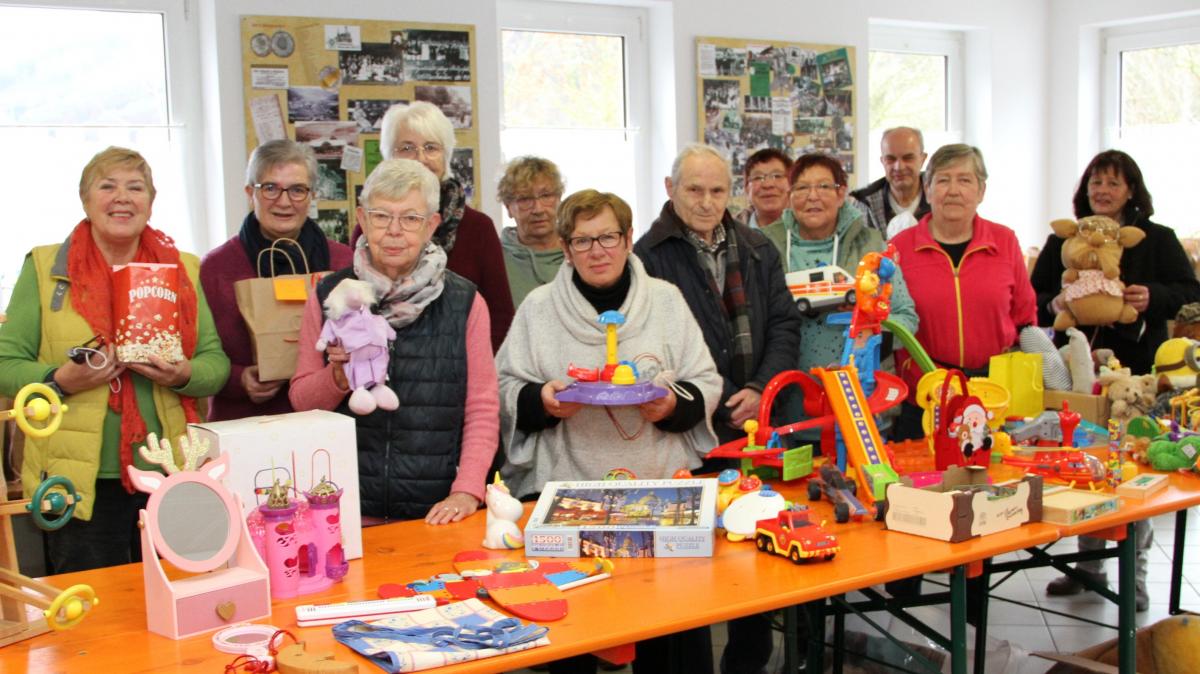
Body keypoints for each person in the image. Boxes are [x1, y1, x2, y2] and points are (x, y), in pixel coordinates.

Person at [498, 189, 720, 674]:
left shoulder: (666, 301)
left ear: (627, 239)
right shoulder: (538, 309)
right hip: (566, 492)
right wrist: (543, 401)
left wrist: (671, 406)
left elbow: (705, 380)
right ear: (565, 247)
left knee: (672, 629)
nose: (596, 250)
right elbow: (504, 386)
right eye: (582, 240)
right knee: (572, 634)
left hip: (658, 490)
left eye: (607, 237)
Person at [0, 146, 230, 574]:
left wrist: (184, 374)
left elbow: (215, 365)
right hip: (77, 480)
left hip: (170, 471)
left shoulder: (183, 269)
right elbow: (5, 364)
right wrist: (60, 379)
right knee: (95, 614)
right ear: (85, 200)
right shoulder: (45, 268)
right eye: (108, 186)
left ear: (151, 201)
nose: (122, 197)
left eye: (135, 187)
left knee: (177, 599)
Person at [634, 143, 801, 674]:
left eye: (717, 191)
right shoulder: (647, 256)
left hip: (759, 422)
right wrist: (720, 394)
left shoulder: (757, 246)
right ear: (669, 189)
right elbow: (653, 347)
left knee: (753, 547)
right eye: (694, 190)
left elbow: (783, 324)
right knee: (692, 556)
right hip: (690, 429)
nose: (707, 203)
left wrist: (759, 387)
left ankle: (748, 663)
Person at [1032, 150, 1200, 612]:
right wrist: (1055, 304)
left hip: (1136, 380)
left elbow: (1191, 294)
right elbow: (1035, 295)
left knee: (1132, 473)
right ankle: (1088, 568)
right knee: (1081, 465)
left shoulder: (1156, 239)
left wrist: (1153, 297)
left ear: (1131, 191)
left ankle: (1136, 577)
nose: (1102, 191)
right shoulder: (1063, 241)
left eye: (1112, 183)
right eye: (1095, 183)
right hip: (1074, 375)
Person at [290, 158, 499, 524]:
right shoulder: (330, 294)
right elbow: (301, 401)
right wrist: (338, 377)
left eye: (411, 219)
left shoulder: (466, 302)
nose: (395, 231)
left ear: (432, 224)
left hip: (435, 511)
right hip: (344, 505)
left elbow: (481, 407)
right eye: (382, 216)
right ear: (362, 219)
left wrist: (467, 490)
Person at [890, 144, 1037, 440]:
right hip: (925, 396)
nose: (953, 190)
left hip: (994, 395)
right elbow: (891, 322)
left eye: (965, 180)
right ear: (928, 190)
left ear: (981, 191)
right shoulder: (900, 248)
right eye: (943, 180)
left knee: (996, 480)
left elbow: (1025, 317)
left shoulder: (1004, 240)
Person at [200, 140, 353, 421]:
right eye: (270, 188)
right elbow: (200, 353)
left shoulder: (343, 263)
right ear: (250, 193)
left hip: (325, 425)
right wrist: (239, 379)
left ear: (312, 195)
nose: (284, 202)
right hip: (245, 424)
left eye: (297, 190)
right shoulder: (216, 268)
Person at [350, 101, 514, 351]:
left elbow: (500, 318)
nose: (420, 158)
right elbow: (352, 306)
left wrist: (473, 369)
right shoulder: (369, 227)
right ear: (389, 156)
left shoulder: (479, 228)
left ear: (445, 155)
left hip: (459, 372)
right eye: (407, 147)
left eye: (431, 147)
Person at [760, 151, 918, 385]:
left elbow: (906, 316)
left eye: (824, 186)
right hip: (786, 395)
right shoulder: (765, 246)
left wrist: (867, 324)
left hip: (862, 391)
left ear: (841, 193)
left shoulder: (872, 245)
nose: (812, 196)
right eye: (801, 188)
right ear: (790, 196)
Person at [496, 156, 565, 307]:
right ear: (508, 207)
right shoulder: (495, 259)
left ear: (559, 199)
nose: (538, 209)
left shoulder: (580, 251)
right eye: (525, 199)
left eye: (546, 196)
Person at [849, 126, 931, 239]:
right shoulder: (864, 203)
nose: (899, 167)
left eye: (908, 158)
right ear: (882, 161)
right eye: (890, 159)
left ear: (923, 159)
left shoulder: (940, 198)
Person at [734, 148, 792, 228]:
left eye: (777, 176)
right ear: (746, 188)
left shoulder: (809, 230)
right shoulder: (730, 233)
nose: (767, 184)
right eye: (758, 177)